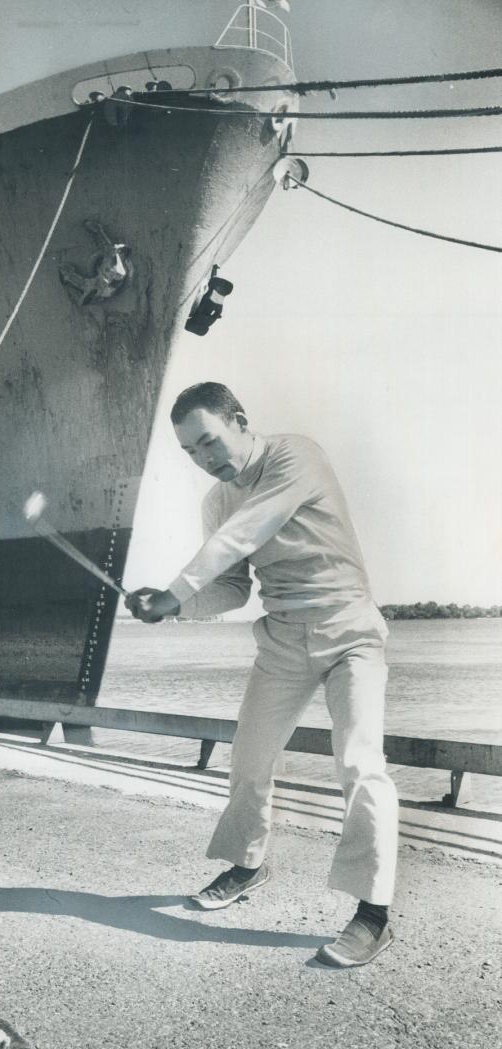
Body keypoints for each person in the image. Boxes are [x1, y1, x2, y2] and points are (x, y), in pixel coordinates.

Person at [125, 382, 398, 968]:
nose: (205, 460)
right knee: (248, 758)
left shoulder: (296, 455)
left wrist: (175, 590)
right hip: (282, 637)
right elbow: (228, 587)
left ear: (242, 422)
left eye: (209, 442)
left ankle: (373, 914)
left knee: (358, 762)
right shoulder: (215, 502)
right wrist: (170, 609)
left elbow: (243, 534)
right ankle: (248, 865)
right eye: (191, 452)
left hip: (349, 626)